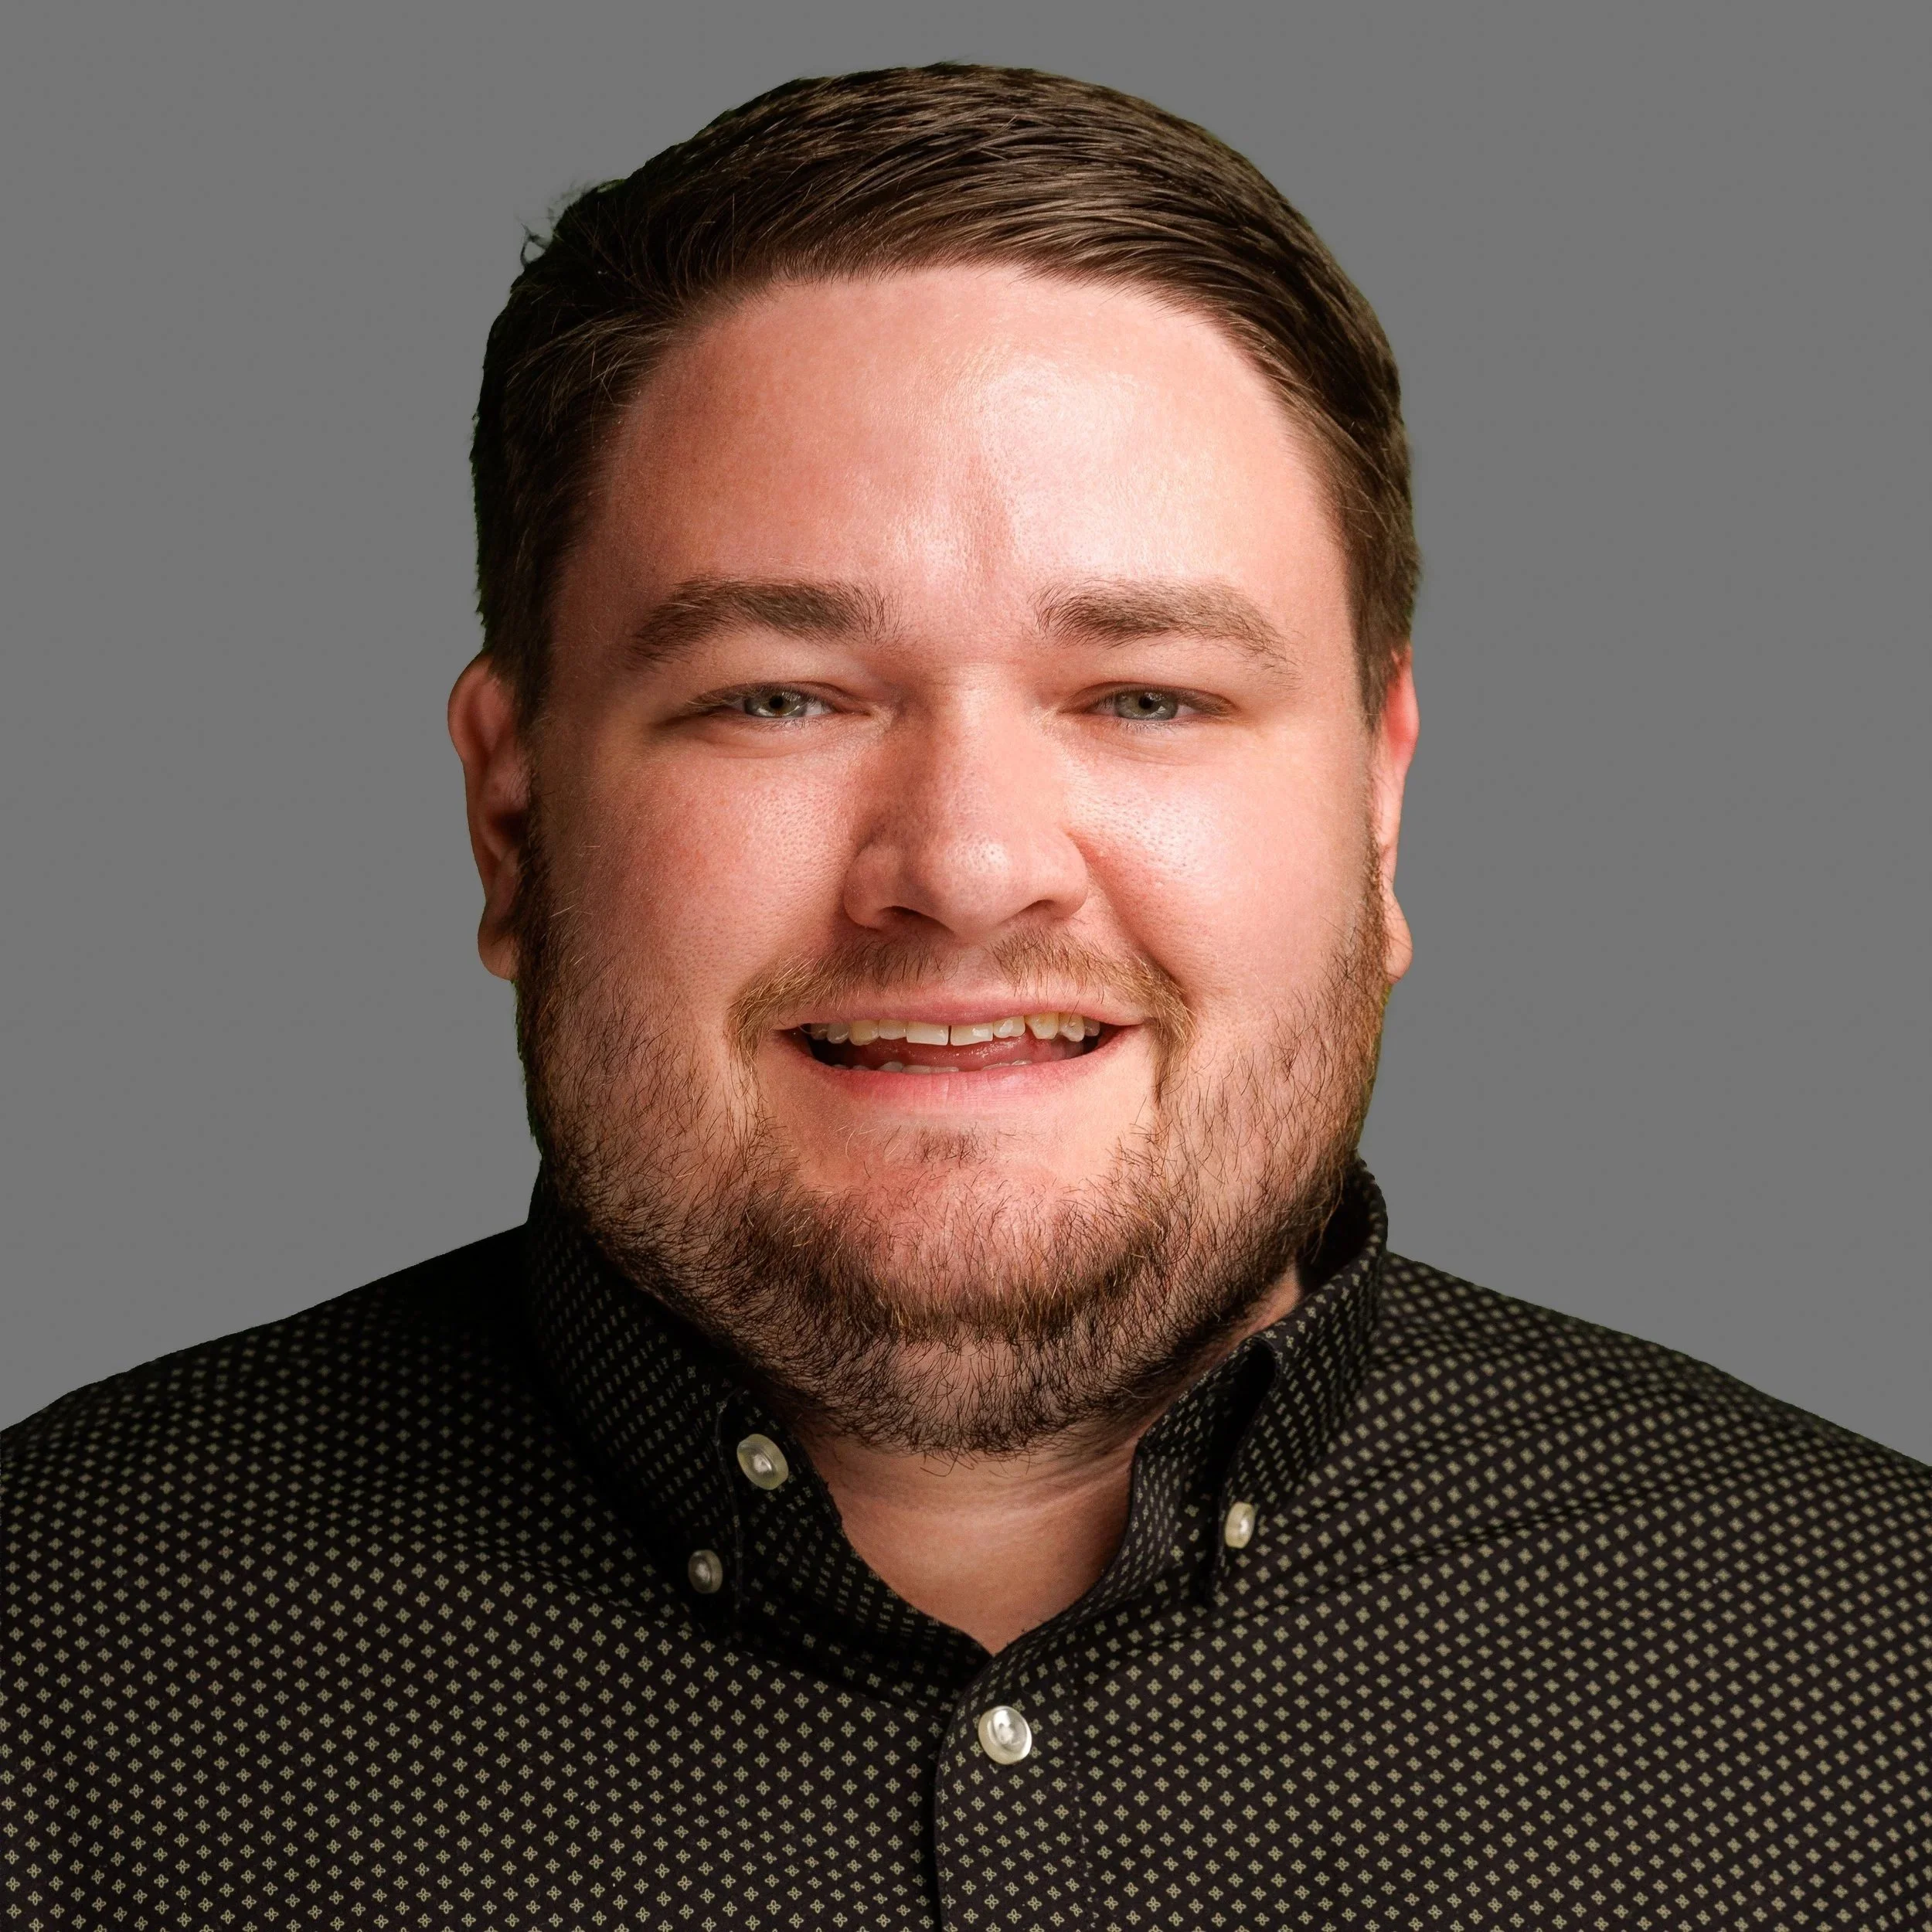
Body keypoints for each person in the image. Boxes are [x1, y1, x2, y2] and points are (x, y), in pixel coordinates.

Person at [5, 63, 1924, 1930]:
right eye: (778, 693)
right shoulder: (45, 1674)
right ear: (510, 814)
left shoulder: (1875, 1668)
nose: (968, 861)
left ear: (1377, 800)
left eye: (1146, 694)